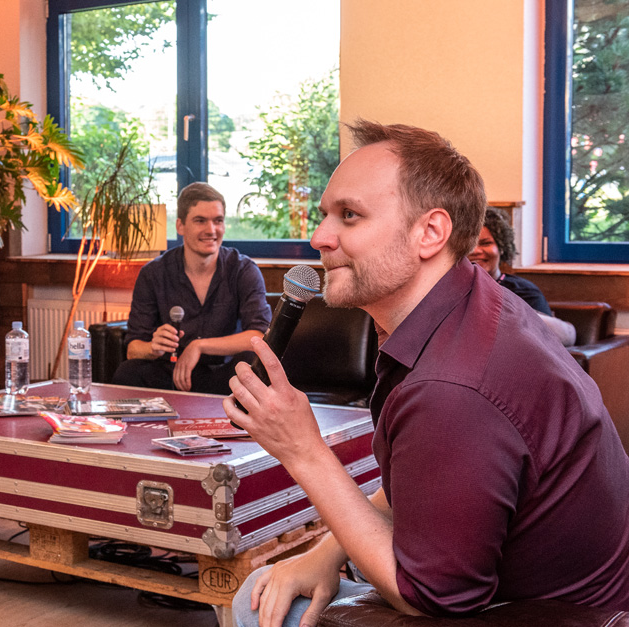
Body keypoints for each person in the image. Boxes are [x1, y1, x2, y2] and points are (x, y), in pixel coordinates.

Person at [226, 121, 629, 627]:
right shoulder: (470, 305)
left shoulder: (452, 387)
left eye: (349, 215)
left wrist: (303, 449)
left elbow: (433, 599)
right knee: (272, 584)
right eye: (325, 215)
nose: (319, 237)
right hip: (543, 584)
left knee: (253, 602)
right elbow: (426, 485)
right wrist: (324, 554)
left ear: (431, 233)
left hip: (548, 613)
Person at [112, 182, 272, 395]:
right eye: (200, 221)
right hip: (171, 375)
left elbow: (259, 336)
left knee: (253, 363)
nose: (211, 230)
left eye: (218, 221)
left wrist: (198, 346)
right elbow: (133, 349)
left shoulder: (243, 269)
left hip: (224, 375)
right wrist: (153, 348)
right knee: (127, 372)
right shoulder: (153, 273)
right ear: (180, 226)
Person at [468, 207, 576, 346]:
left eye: (486, 243)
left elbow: (550, 341)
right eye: (469, 245)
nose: (476, 251)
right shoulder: (450, 289)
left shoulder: (523, 291)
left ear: (501, 247)